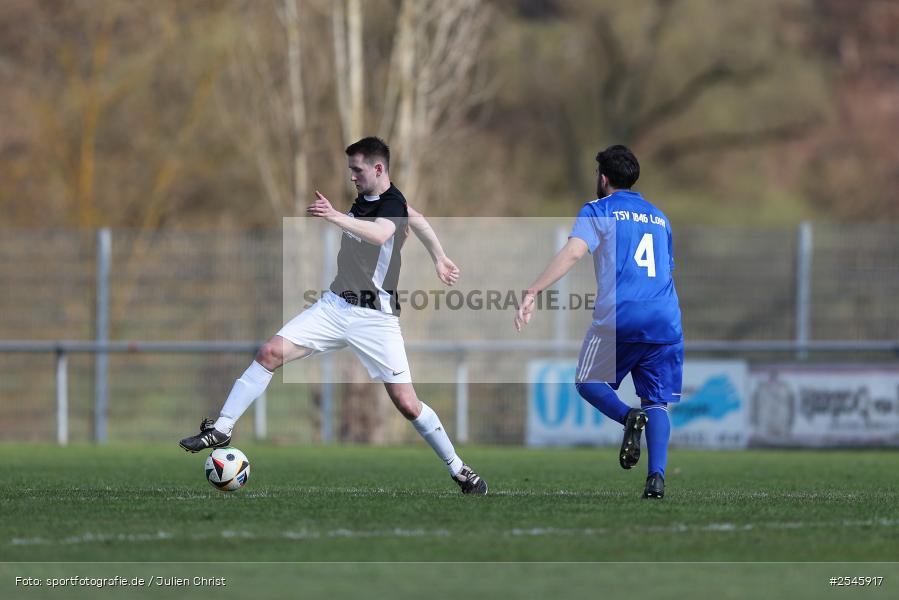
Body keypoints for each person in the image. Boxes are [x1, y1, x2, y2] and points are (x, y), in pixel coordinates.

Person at [180, 136, 487, 495]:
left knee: (407, 404)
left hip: (376, 319)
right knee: (269, 353)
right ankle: (223, 426)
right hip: (335, 306)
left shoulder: (391, 202)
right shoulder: (371, 198)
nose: (352, 177)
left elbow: (380, 234)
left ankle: (459, 469)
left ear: (378, 168)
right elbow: (417, 219)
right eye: (350, 171)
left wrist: (336, 217)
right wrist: (439, 255)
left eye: (357, 170)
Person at [515, 145, 683, 499]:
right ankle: (656, 479)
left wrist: (534, 290)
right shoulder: (659, 217)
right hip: (665, 318)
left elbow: (575, 251)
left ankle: (628, 418)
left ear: (603, 178)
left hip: (621, 316)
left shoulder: (599, 210)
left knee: (587, 381)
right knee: (657, 402)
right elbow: (665, 271)